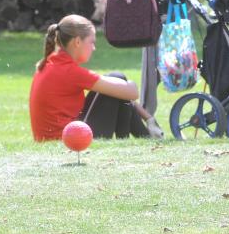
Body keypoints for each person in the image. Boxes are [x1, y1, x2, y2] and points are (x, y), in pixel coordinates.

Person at [29, 14, 164, 141]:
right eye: (91, 42)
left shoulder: (54, 62)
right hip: (68, 140)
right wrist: (147, 117)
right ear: (77, 42)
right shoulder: (69, 71)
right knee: (118, 79)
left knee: (117, 86)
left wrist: (148, 118)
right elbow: (133, 92)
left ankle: (143, 138)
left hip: (65, 136)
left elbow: (121, 92)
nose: (94, 48)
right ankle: (147, 137)